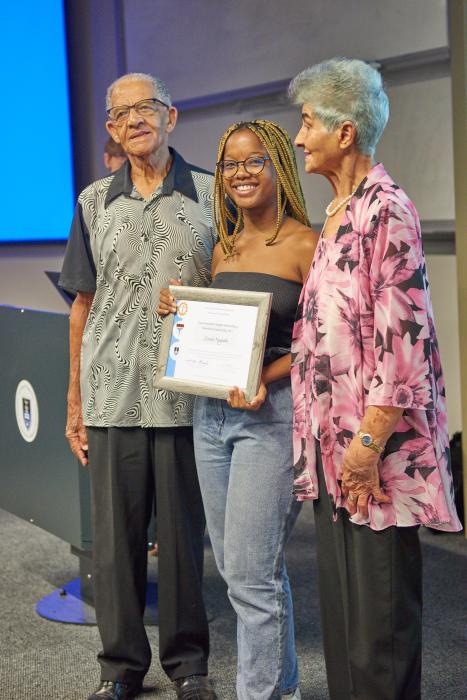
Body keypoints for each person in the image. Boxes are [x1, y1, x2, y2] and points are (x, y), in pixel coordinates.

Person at [288, 58, 461, 700]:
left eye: (308, 122)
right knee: (345, 625)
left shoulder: (386, 209)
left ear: (345, 132)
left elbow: (403, 346)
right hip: (335, 451)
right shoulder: (339, 211)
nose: (299, 138)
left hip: (376, 455)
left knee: (378, 631)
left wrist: (365, 446)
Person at [59, 72, 217, 700]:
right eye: (121, 114)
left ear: (170, 116)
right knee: (115, 543)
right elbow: (81, 304)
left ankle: (189, 666)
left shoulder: (211, 195)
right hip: (110, 394)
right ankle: (120, 668)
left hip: (185, 397)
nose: (134, 120)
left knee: (180, 542)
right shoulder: (93, 201)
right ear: (111, 128)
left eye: (146, 108)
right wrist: (74, 399)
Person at [160, 119, 319, 700]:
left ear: (280, 167)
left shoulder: (307, 244)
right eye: (230, 164)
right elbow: (220, 332)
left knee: (252, 577)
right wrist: (179, 312)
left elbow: (323, 341)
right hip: (213, 418)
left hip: (270, 416)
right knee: (239, 571)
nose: (240, 173)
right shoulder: (224, 248)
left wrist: (264, 378)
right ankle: (285, 689)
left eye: (255, 162)